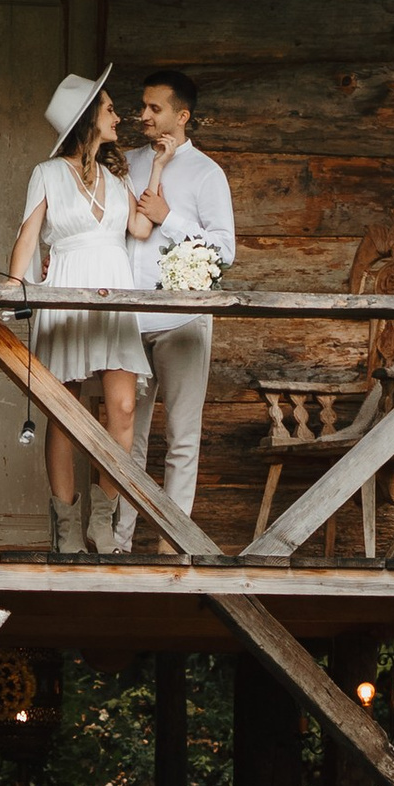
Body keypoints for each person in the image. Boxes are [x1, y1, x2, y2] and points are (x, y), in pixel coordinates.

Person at [8, 68, 164, 557]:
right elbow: (28, 238)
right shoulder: (48, 173)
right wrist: (14, 290)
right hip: (67, 291)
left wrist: (159, 169)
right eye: (111, 109)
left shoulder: (118, 178)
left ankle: (103, 514)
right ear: (88, 118)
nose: (118, 116)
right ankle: (66, 526)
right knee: (64, 411)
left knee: (122, 409)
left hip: (114, 294)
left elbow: (139, 229)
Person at [112, 69, 236, 553]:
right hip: (128, 322)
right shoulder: (123, 164)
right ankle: (119, 544)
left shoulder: (207, 173)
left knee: (182, 437)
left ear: (181, 116)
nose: (142, 115)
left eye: (154, 108)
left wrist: (171, 218)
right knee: (128, 439)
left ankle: (173, 544)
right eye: (142, 106)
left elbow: (225, 251)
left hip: (182, 322)